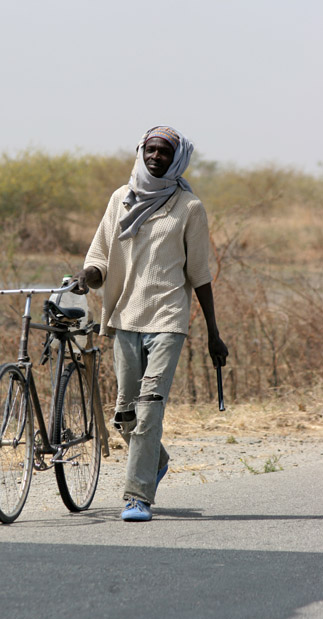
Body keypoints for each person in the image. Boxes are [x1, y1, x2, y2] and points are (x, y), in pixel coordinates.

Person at [71, 125, 228, 522]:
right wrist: (86, 278)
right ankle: (155, 460)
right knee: (126, 413)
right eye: (151, 149)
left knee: (150, 407)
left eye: (165, 152)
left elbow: (200, 274)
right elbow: (100, 257)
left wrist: (213, 332)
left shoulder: (188, 208)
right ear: (141, 151)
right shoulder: (120, 200)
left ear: (177, 159)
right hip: (125, 317)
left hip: (168, 319)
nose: (156, 157)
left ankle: (137, 496)